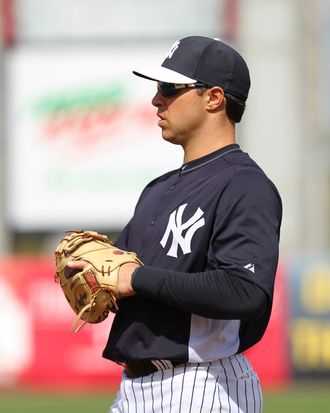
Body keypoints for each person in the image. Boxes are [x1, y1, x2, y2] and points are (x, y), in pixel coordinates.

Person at [70, 35, 282, 413]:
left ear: (214, 98)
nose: (156, 99)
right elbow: (121, 276)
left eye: (170, 87)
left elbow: (246, 291)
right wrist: (91, 277)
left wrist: (134, 279)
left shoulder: (244, 184)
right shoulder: (158, 189)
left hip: (205, 386)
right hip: (134, 389)